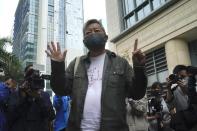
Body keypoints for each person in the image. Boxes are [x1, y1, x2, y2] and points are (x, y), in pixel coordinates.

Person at [46, 19, 147, 131]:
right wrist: (57, 65)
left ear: (106, 36)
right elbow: (60, 90)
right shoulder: (76, 63)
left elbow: (137, 93)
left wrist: (139, 68)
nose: (93, 33)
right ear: (84, 41)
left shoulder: (121, 63)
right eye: (88, 33)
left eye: (97, 30)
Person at [7, 65, 55, 131]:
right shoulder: (17, 94)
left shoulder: (44, 95)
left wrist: (38, 98)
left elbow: (51, 116)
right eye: (30, 74)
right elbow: (10, 116)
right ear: (25, 78)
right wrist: (23, 96)